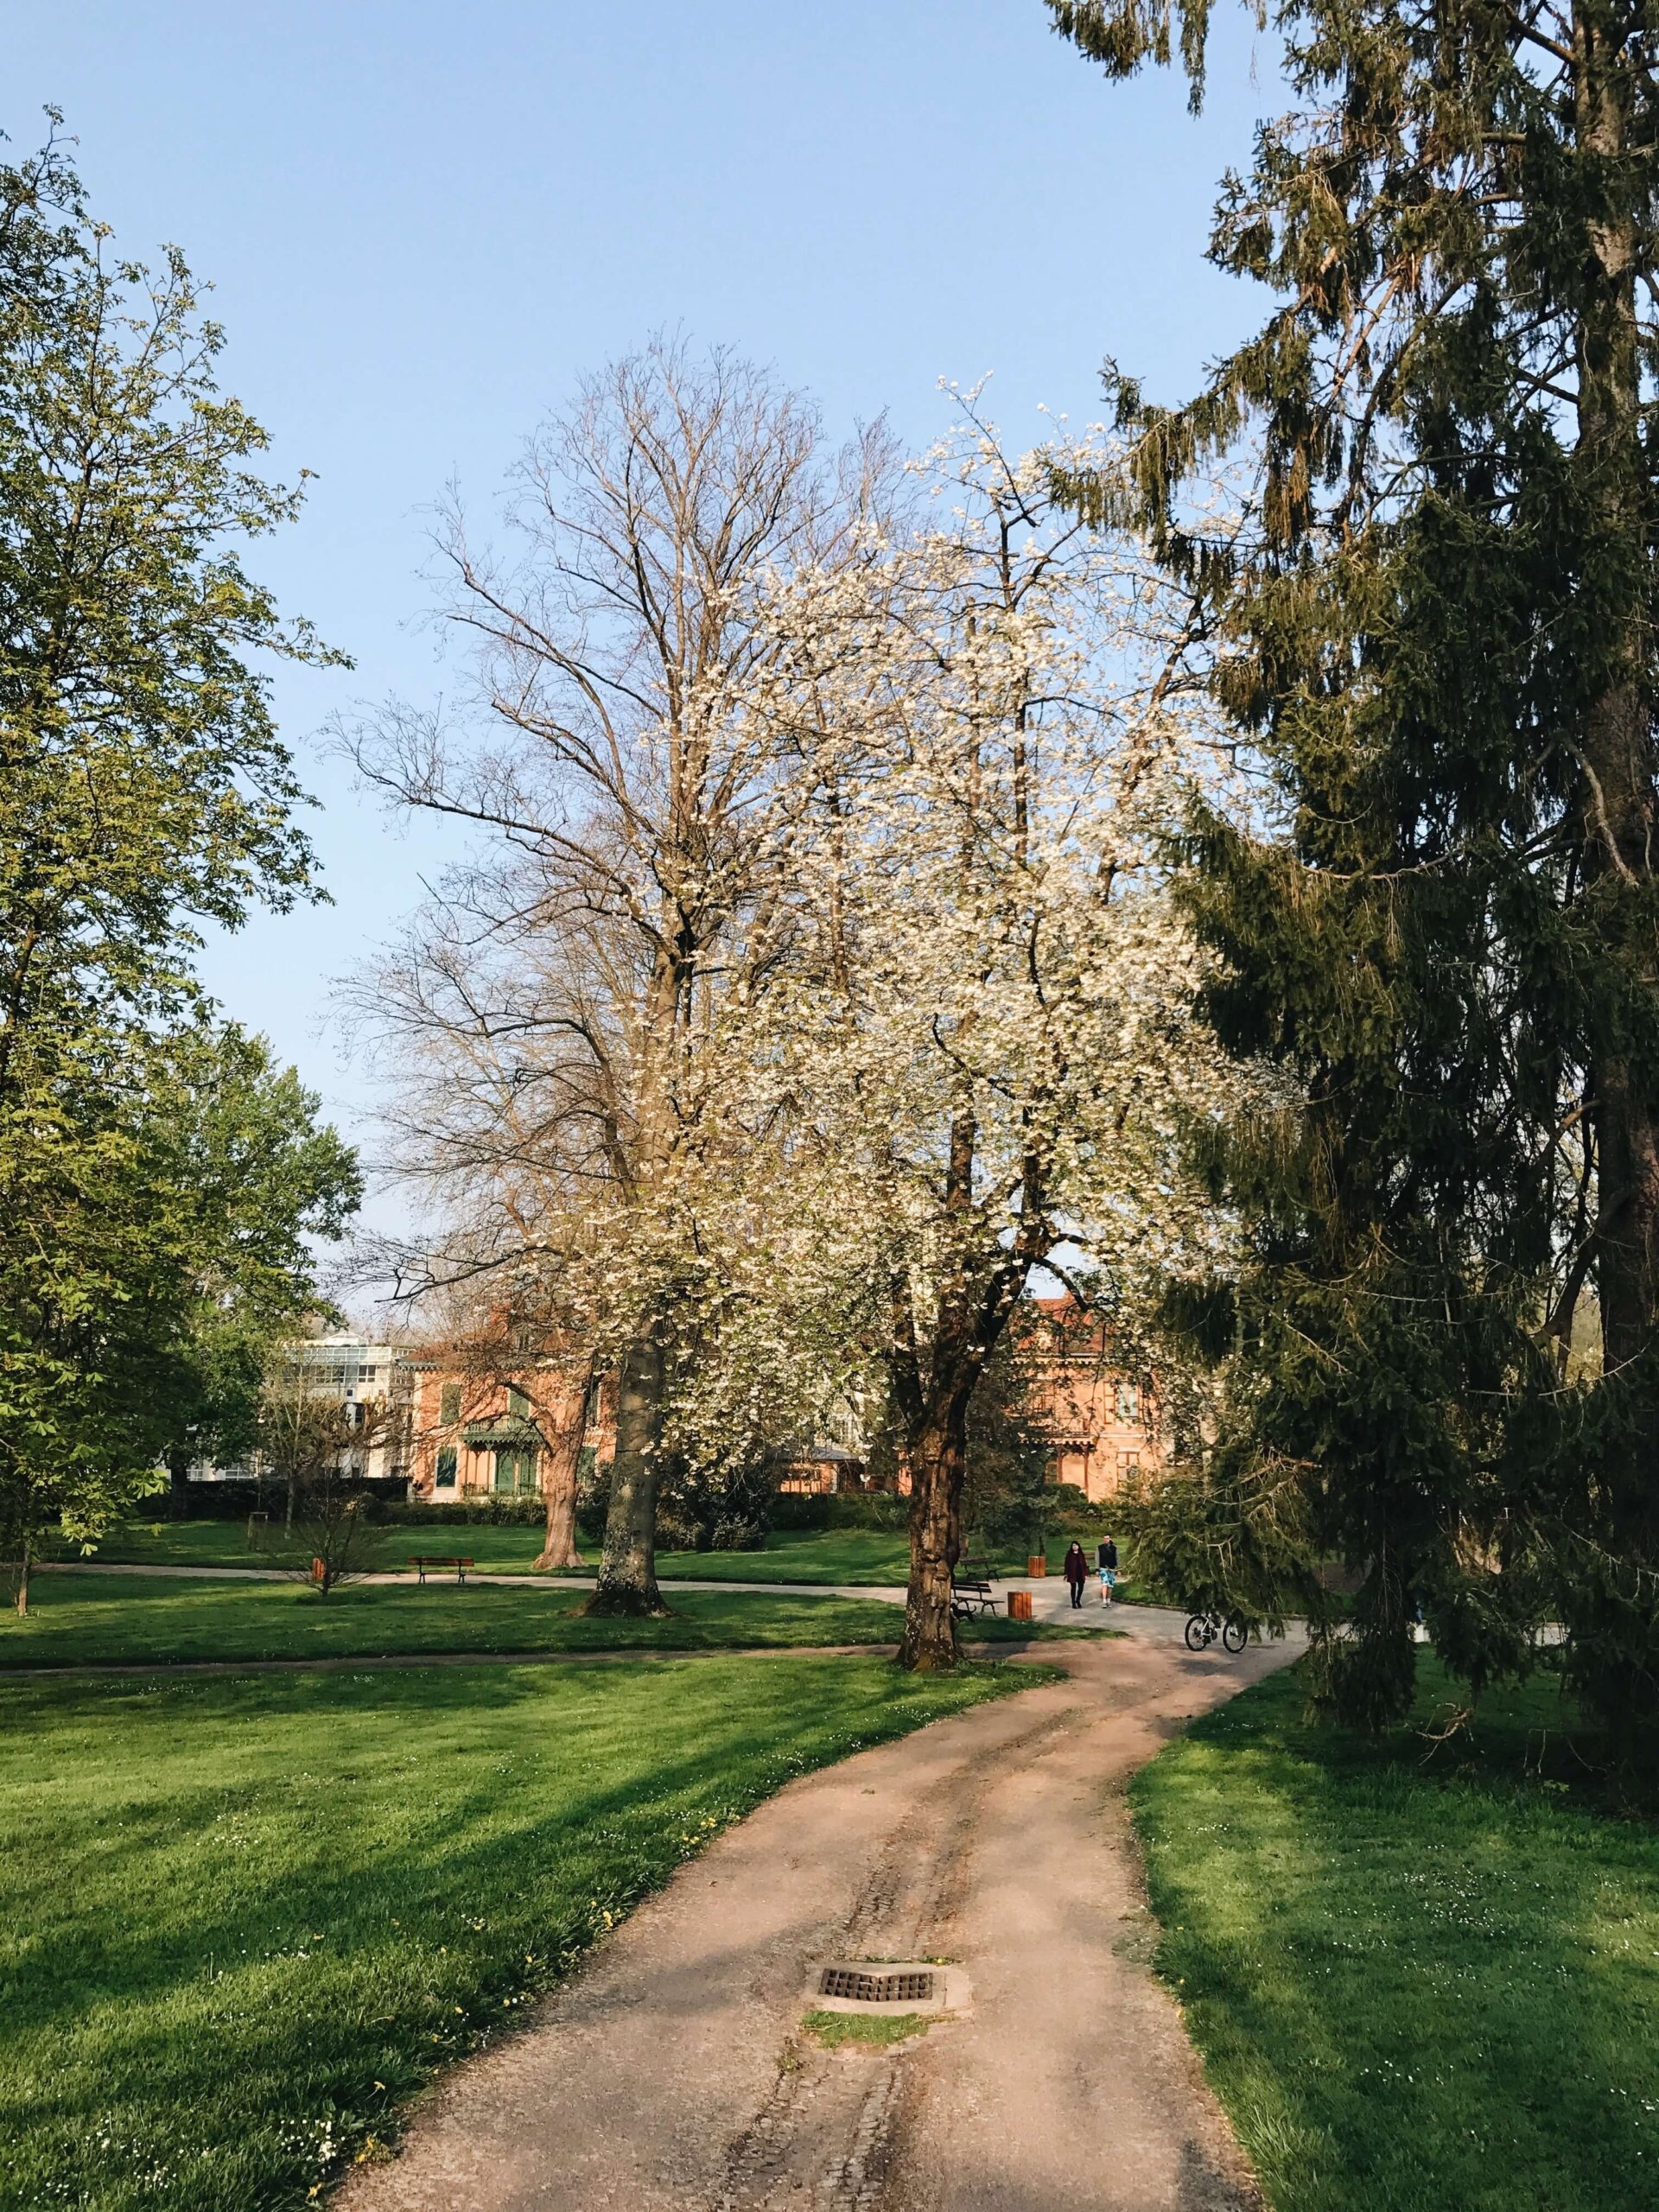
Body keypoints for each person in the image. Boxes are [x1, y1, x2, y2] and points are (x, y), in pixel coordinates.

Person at [1063, 1540, 1089, 1608]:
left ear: (1078, 1546)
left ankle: (1078, 1599)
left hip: (1080, 1572)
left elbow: (1084, 1564)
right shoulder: (1069, 1554)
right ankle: (1073, 1602)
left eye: (1076, 1545)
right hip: (1072, 1573)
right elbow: (1066, 1564)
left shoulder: (1081, 1554)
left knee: (1081, 1588)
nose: (1074, 1547)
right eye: (1073, 1546)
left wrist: (1086, 1573)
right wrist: (1066, 1573)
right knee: (1073, 1588)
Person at [1096, 1534, 1119, 1602]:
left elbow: (1117, 1558)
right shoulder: (1099, 1548)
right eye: (1105, 1538)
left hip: (1111, 1568)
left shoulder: (1114, 1548)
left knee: (1110, 1585)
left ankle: (1109, 1600)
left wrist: (1118, 1569)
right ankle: (1104, 1600)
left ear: (1110, 1539)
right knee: (1104, 1584)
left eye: (1107, 1538)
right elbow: (1097, 1559)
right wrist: (1097, 1569)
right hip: (1103, 1568)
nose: (1106, 1540)